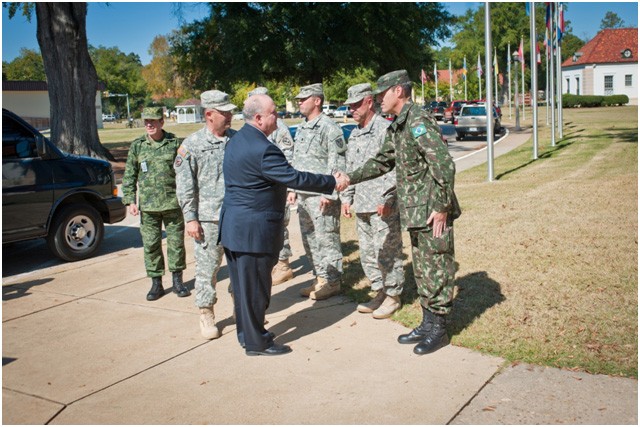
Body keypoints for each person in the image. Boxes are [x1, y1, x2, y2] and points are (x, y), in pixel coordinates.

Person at [217, 94, 348, 356]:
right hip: (254, 232)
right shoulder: (263, 149)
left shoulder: (237, 140)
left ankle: (247, 335)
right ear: (258, 118)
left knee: (244, 290)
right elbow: (294, 177)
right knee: (256, 291)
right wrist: (331, 182)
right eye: (273, 112)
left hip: (235, 228)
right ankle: (257, 343)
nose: (278, 116)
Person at [344, 70, 461, 355]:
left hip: (433, 211)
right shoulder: (399, 125)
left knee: (437, 267)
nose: (378, 99)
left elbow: (444, 165)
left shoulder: (418, 122)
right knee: (423, 270)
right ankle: (427, 322)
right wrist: (350, 178)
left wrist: (442, 207)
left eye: (382, 94)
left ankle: (440, 330)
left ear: (398, 91)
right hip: (416, 212)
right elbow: (382, 162)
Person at [174, 90, 237, 340]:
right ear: (210, 114)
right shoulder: (192, 145)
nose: (230, 115)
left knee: (239, 267)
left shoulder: (237, 139)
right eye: (225, 112)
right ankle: (206, 312)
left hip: (236, 216)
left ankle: (240, 308)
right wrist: (190, 217)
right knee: (207, 270)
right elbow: (185, 185)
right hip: (208, 220)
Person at [341, 83, 405, 319]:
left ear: (369, 102)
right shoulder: (356, 133)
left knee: (387, 251)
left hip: (382, 204)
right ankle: (379, 291)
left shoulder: (386, 129)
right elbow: (351, 167)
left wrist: (389, 197)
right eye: (350, 106)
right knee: (368, 253)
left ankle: (393, 295)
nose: (352, 110)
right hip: (362, 204)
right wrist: (347, 198)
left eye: (356, 105)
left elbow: (395, 167)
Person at [122, 106, 188, 301]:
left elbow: (185, 173)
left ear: (162, 122)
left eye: (153, 121)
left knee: (176, 244)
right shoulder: (138, 146)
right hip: (148, 206)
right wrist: (129, 200)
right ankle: (156, 283)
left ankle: (178, 281)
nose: (149, 125)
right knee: (151, 245)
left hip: (172, 204)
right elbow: (129, 175)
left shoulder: (174, 143)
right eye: (146, 121)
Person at [289, 83, 347, 301]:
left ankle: (333, 281)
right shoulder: (303, 127)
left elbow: (338, 164)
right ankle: (320, 277)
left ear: (317, 100)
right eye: (298, 99)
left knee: (327, 239)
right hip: (304, 195)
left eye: (304, 99)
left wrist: (329, 193)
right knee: (310, 239)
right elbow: (298, 161)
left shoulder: (329, 128)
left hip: (321, 196)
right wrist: (293, 188)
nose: (299, 102)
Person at [247, 87, 296, 286]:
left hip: (277, 186)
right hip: (260, 189)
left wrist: (290, 188)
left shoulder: (279, 127)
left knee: (279, 225)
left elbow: (288, 157)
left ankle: (283, 264)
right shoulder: (251, 127)